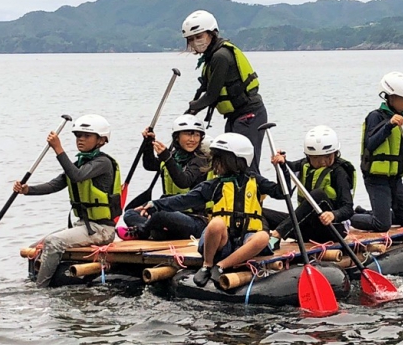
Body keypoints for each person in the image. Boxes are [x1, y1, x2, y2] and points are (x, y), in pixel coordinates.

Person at [136, 132, 288, 287]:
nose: (215, 164)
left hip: (243, 241)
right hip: (221, 242)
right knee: (216, 223)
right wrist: (156, 204)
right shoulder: (214, 185)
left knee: (262, 236)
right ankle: (207, 265)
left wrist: (282, 169)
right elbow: (185, 200)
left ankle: (221, 266)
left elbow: (282, 192)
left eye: (219, 160)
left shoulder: (256, 181)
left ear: (236, 161)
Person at [13, 115, 121, 288]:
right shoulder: (79, 162)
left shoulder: (103, 163)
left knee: (53, 241)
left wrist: (58, 149)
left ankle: (40, 289)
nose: (81, 139)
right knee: (37, 246)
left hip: (101, 229)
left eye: (87, 136)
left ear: (101, 140)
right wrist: (27, 190)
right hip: (83, 226)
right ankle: (35, 279)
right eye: (78, 135)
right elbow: (54, 185)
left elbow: (76, 176)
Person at [181, 9, 268, 174]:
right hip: (235, 116)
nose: (195, 42)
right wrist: (191, 110)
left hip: (250, 115)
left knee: (245, 164)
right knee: (229, 163)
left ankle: (255, 196)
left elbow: (212, 95)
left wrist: (192, 110)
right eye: (191, 39)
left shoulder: (220, 56)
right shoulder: (210, 57)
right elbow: (204, 90)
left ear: (212, 33)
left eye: (199, 36)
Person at [350, 71, 403, 232]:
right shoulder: (375, 117)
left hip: (395, 178)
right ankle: (346, 217)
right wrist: (389, 125)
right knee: (382, 225)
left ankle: (368, 214)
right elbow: (370, 144)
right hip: (376, 178)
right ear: (391, 97)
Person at [117, 114, 211, 241]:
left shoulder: (201, 160)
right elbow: (150, 165)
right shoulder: (173, 156)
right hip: (171, 213)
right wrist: (148, 143)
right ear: (177, 137)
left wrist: (166, 157)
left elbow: (183, 181)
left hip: (195, 220)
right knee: (130, 213)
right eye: (188, 134)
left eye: (196, 135)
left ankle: (142, 231)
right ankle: (156, 232)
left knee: (161, 215)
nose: (192, 139)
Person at [265, 125, 356, 245]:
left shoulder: (339, 173)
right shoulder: (303, 165)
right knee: (261, 212)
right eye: (317, 158)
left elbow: (348, 208)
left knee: (317, 194)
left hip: (332, 230)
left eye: (328, 157)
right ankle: (264, 242)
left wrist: (334, 214)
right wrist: (281, 163)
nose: (323, 162)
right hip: (307, 228)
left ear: (335, 153)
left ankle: (276, 235)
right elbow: (286, 178)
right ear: (308, 157)